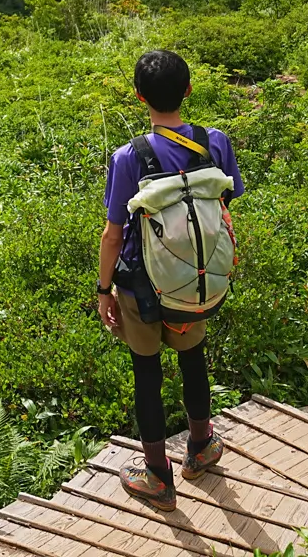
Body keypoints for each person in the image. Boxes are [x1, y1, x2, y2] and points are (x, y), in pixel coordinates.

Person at [95, 49, 245, 510]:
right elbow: (226, 201)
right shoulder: (214, 140)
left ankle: (158, 476)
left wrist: (104, 291)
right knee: (193, 357)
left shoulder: (129, 156)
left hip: (140, 285)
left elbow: (113, 232)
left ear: (140, 97)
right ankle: (201, 447)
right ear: (189, 90)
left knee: (147, 374)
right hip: (192, 280)